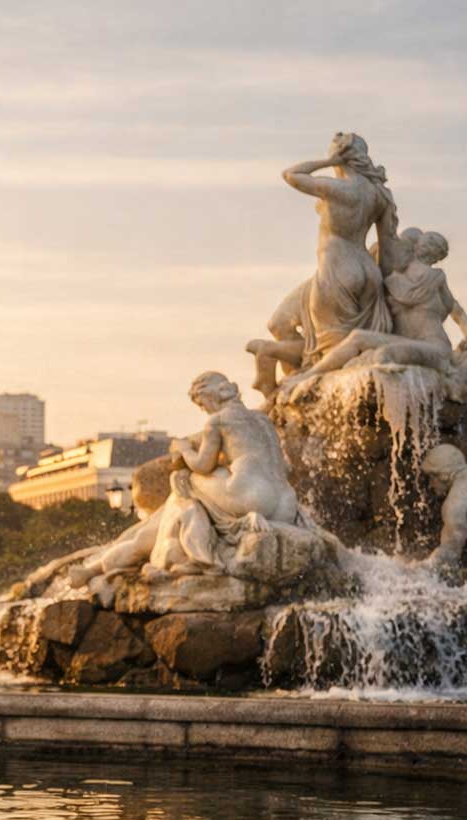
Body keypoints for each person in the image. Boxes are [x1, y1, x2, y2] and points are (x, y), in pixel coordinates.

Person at [69, 372, 299, 586]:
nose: (204, 410)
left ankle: (198, 554)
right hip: (285, 503)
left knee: (183, 478)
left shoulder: (217, 420)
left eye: (202, 404)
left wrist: (184, 449)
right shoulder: (262, 419)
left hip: (249, 498)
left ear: (211, 396)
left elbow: (202, 464)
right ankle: (99, 565)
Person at [279, 230, 467, 395]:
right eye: (425, 242)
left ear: (435, 255)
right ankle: (309, 375)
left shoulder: (436, 278)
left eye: (431, 245)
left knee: (384, 355)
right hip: (407, 342)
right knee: (358, 337)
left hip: (434, 347)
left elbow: (458, 314)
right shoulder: (392, 279)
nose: (425, 246)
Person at [282, 133, 397, 364]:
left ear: (340, 157)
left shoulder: (337, 188)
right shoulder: (380, 195)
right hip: (368, 272)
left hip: (337, 267)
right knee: (359, 351)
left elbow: (291, 174)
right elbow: (388, 245)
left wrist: (329, 162)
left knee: (336, 355)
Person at [421, 443, 467, 569]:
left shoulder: (455, 503)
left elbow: (450, 553)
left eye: (432, 478)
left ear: (444, 475)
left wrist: (419, 570)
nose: (430, 485)